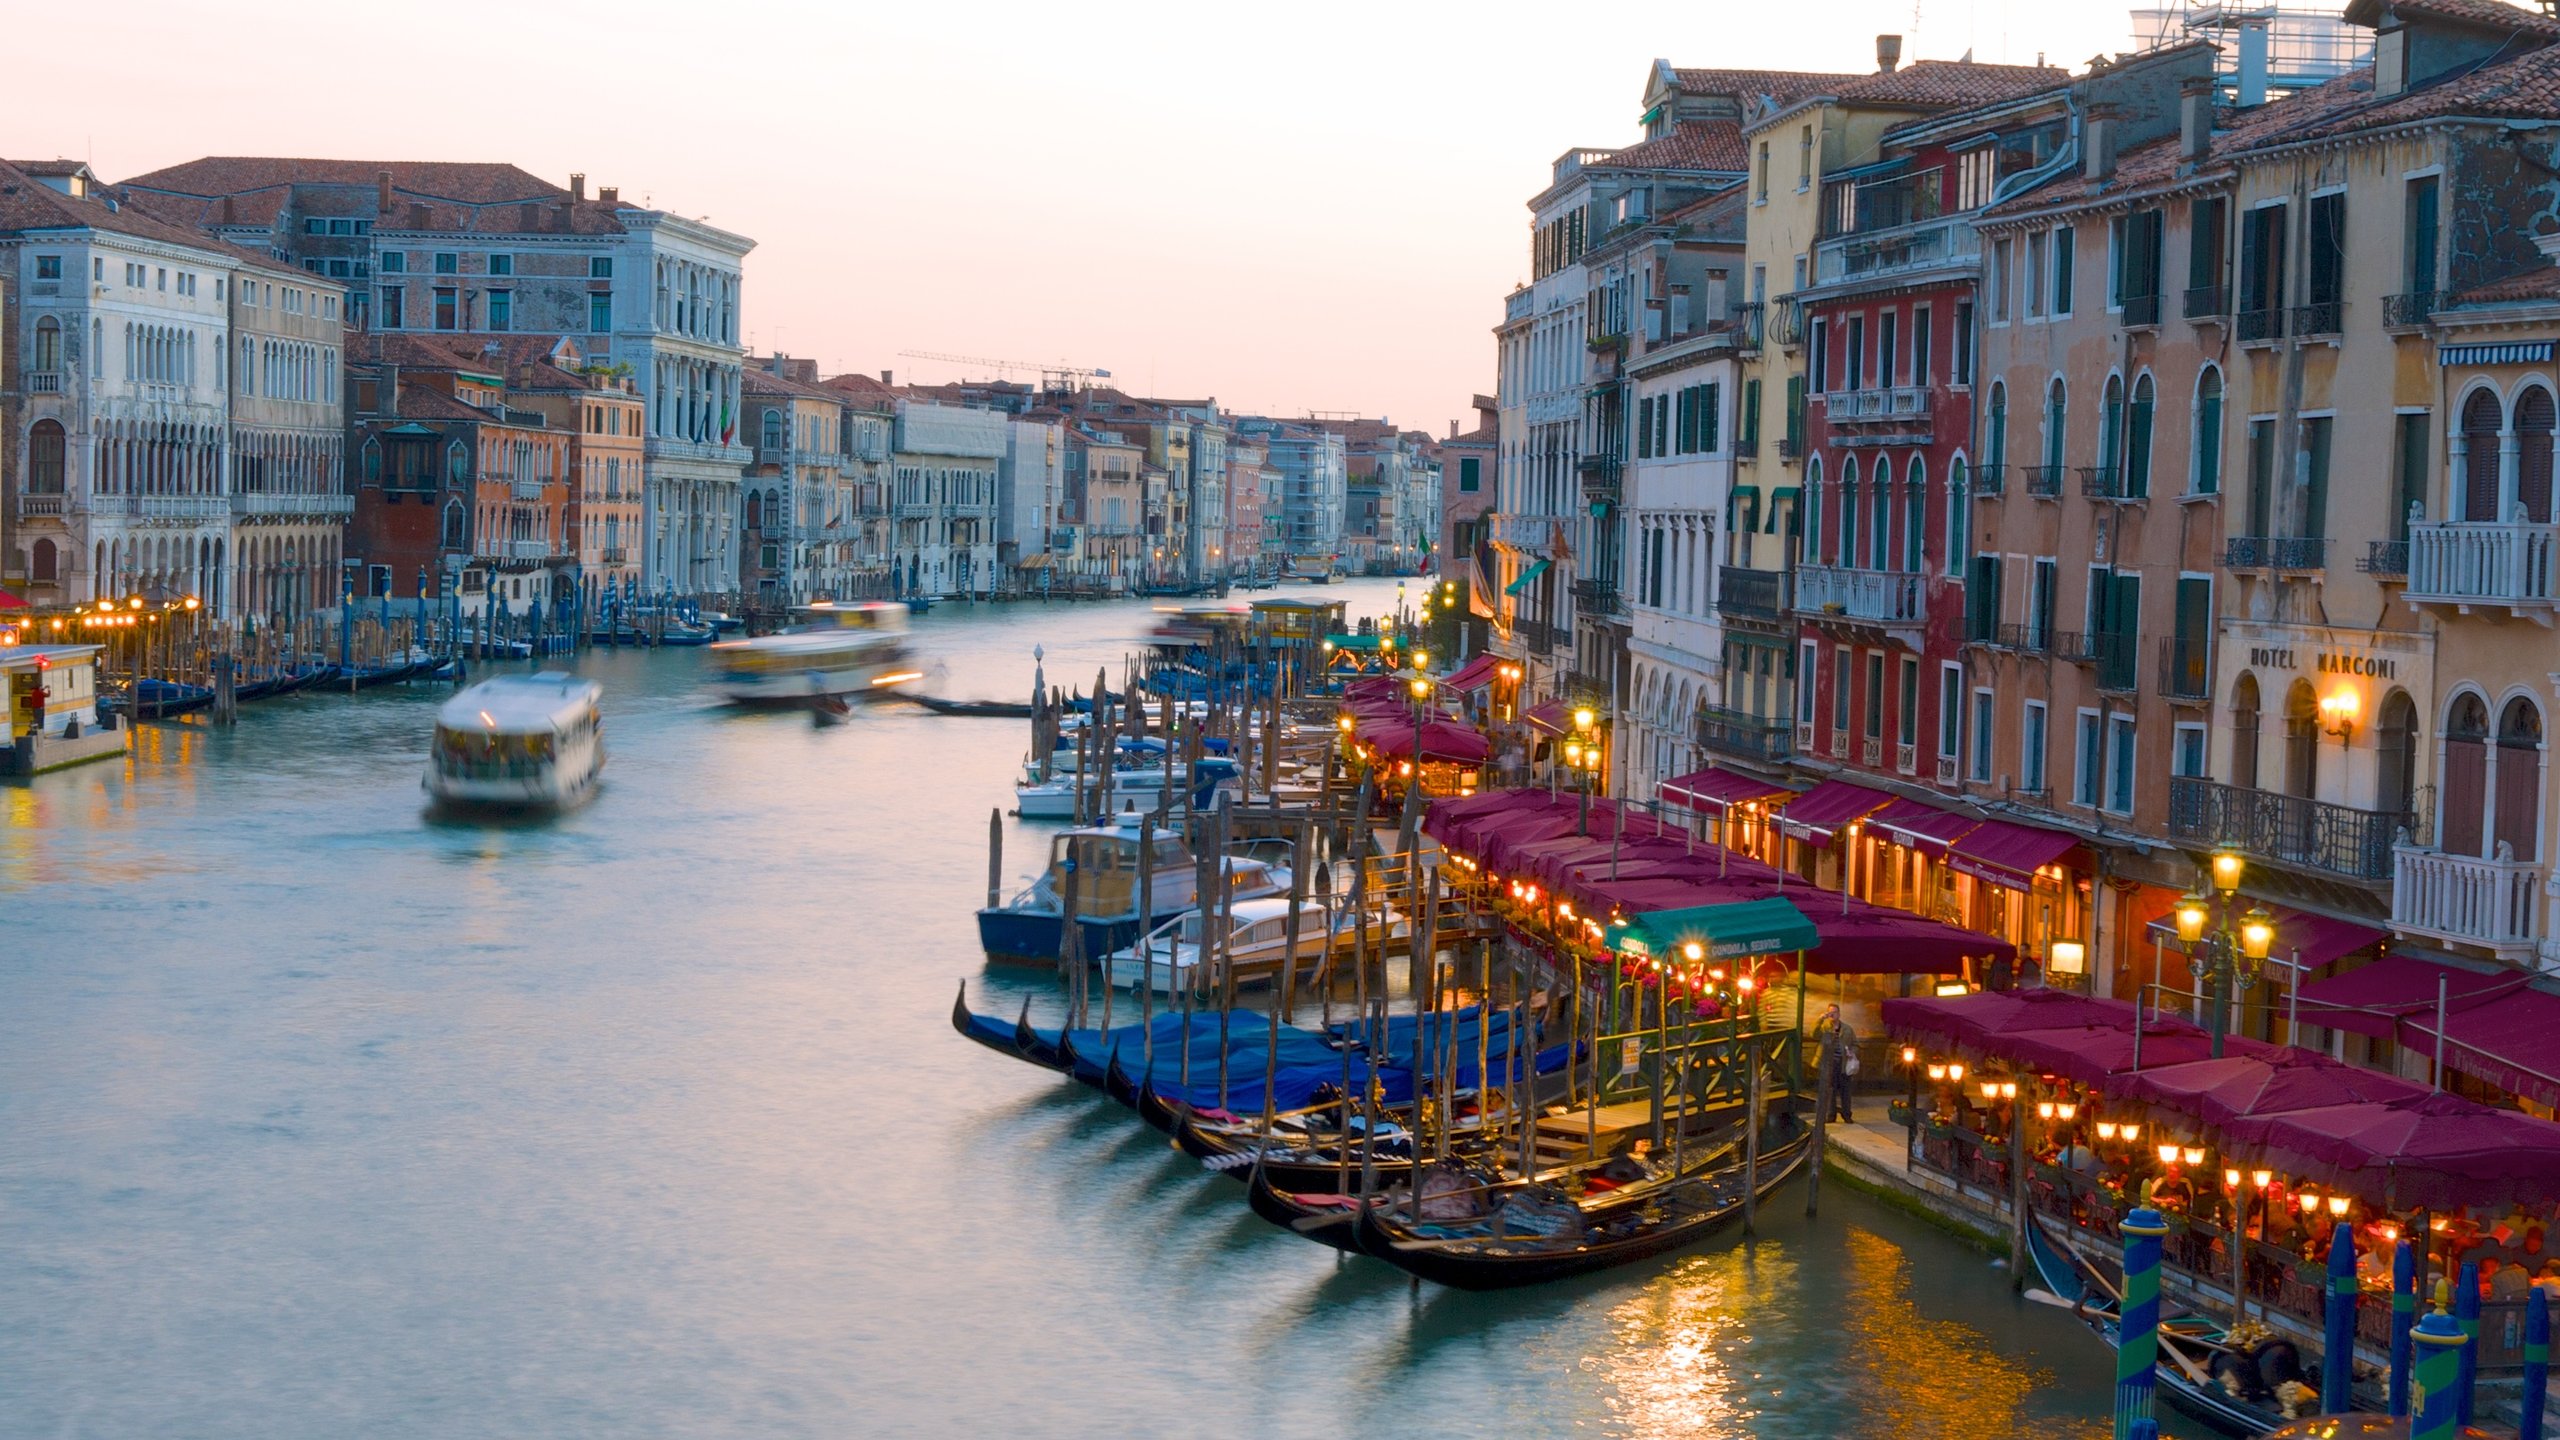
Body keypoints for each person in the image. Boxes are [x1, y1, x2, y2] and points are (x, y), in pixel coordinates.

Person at [1817, 1005, 1857, 1123]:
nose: (1832, 1015)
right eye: (1830, 1012)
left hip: (1843, 1063)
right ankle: (1831, 1115)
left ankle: (1847, 1115)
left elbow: (1855, 1044)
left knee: (1846, 1090)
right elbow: (1813, 1033)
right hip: (1829, 1064)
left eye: (1834, 1012)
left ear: (1839, 1013)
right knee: (1831, 1090)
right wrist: (1820, 1019)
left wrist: (1852, 1052)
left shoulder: (1848, 1029)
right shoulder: (1824, 1027)